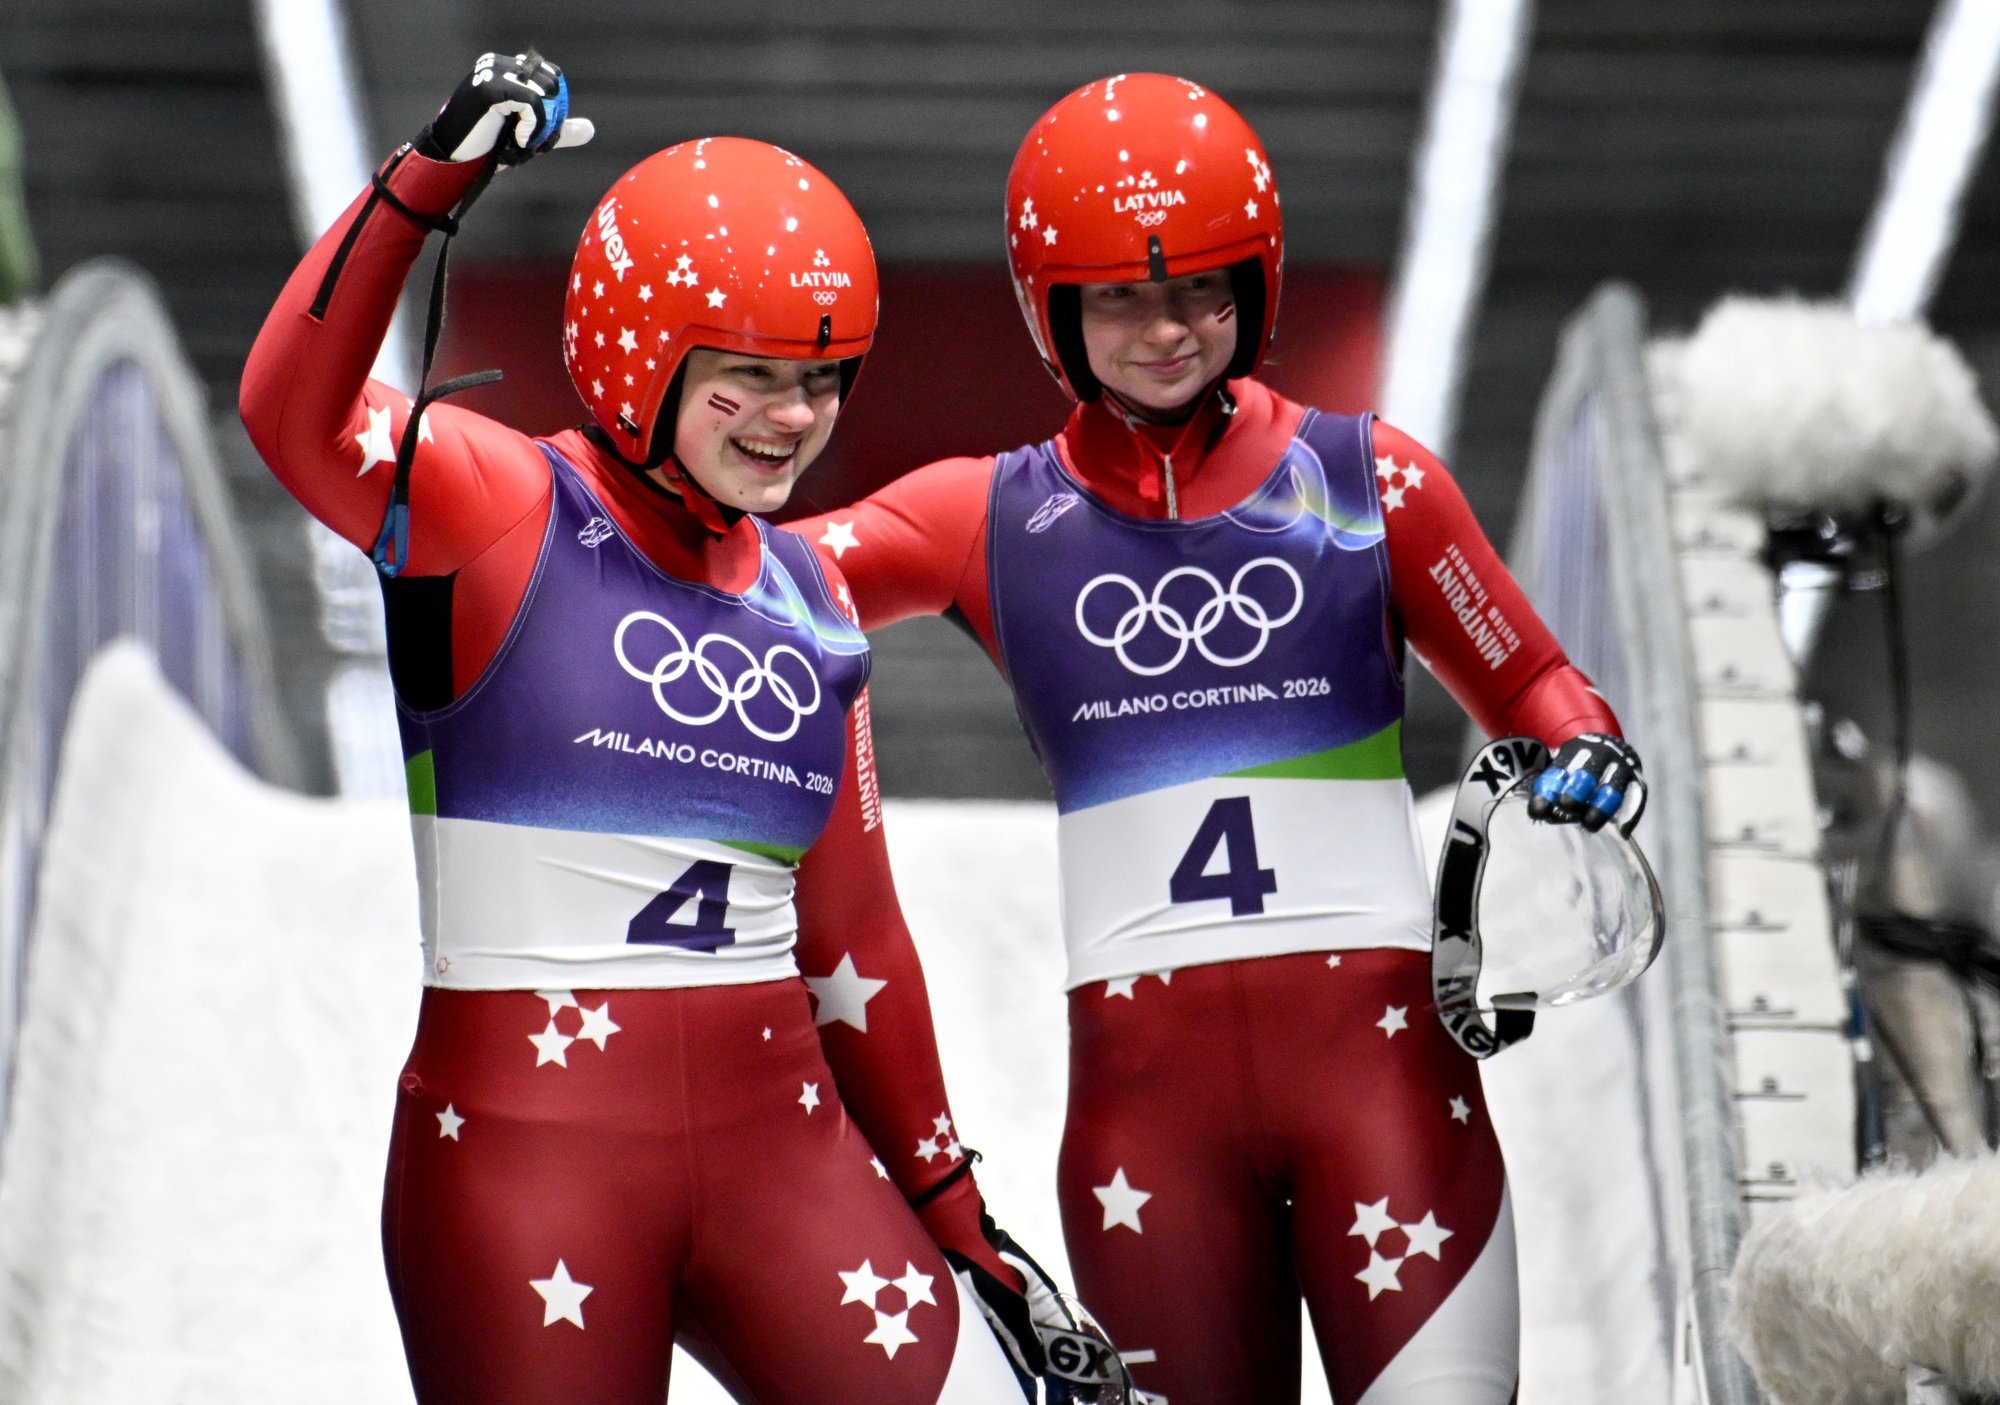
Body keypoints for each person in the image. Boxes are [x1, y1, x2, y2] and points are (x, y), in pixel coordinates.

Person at [794, 74, 1645, 1405]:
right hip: (1152, 1142)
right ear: (1050, 310)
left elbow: (1533, 676)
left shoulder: (1378, 484)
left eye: (1200, 288)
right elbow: (769, 578)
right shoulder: (988, 517)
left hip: (1389, 1105)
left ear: (1258, 284)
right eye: (1117, 296)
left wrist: (1582, 750)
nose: (1167, 329)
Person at [240, 52, 1061, 1405]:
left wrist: (959, 1214)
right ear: (637, 353)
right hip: (527, 1175)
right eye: (748, 375)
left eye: (822, 377)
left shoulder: (815, 597)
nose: (793, 420)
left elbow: (853, 944)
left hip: (784, 1165)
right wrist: (428, 179)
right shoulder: (495, 503)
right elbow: (289, 411)